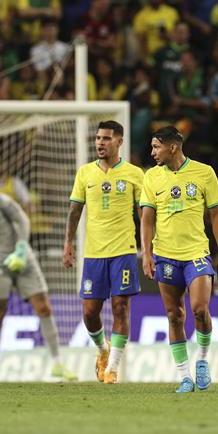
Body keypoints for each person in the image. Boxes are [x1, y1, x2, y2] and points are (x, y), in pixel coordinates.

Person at [139, 126, 218, 393]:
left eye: (156, 147)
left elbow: (217, 215)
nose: (152, 152)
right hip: (166, 255)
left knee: (200, 309)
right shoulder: (152, 177)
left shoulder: (204, 173)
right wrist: (147, 254)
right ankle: (184, 376)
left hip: (197, 254)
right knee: (174, 315)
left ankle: (202, 360)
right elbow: (147, 219)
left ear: (173, 147)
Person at [0, 191, 76, 383]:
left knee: (44, 308)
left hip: (23, 260)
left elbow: (22, 220)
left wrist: (20, 249)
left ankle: (58, 363)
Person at [63, 121, 144, 384]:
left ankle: (112, 367)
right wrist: (68, 243)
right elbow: (75, 211)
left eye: (106, 139)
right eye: (98, 138)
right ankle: (102, 350)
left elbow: (145, 214)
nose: (100, 143)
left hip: (124, 250)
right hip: (94, 253)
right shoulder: (85, 173)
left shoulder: (134, 174)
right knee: (89, 312)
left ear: (119, 142)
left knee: (121, 308)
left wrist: (149, 247)